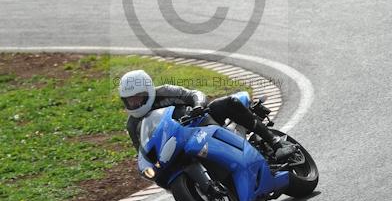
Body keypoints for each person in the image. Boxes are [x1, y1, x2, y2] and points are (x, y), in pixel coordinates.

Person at [119, 69, 296, 162]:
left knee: (228, 103)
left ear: (148, 91)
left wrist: (197, 106)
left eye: (138, 97)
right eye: (130, 100)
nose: (134, 103)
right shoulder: (132, 125)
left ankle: (275, 143)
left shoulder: (165, 92)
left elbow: (194, 94)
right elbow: (142, 151)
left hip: (202, 121)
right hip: (178, 144)